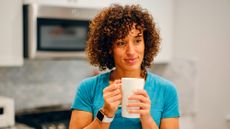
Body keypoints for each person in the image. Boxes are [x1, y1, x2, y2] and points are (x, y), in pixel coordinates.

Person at [69, 4, 180, 129]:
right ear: (109, 48)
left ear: (146, 43)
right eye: (121, 43)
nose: (131, 52)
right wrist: (106, 114)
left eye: (137, 41)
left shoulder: (166, 90)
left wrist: (146, 118)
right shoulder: (88, 88)